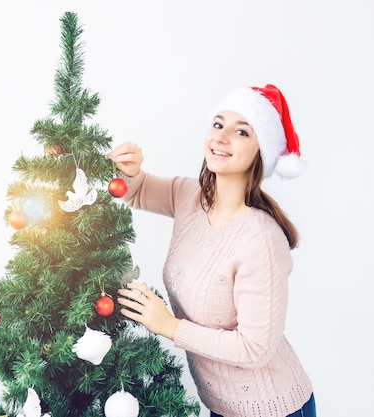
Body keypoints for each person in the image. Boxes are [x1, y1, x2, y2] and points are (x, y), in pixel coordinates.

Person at [107, 84, 315, 417]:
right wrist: (129, 169)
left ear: (261, 152)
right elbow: (139, 189)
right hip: (221, 406)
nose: (221, 137)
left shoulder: (260, 239)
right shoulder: (189, 197)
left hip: (271, 409)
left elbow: (255, 349)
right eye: (218, 125)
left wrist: (169, 326)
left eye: (241, 131)